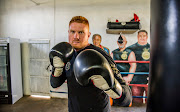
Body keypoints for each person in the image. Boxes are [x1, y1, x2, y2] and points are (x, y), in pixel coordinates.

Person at [49, 16, 132, 112]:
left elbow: (127, 99)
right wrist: (57, 69)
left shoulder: (100, 55)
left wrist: (110, 87)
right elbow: (54, 84)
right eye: (72, 32)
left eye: (81, 32)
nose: (76, 36)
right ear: (68, 33)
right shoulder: (66, 55)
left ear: (88, 35)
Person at [110, 35, 136, 106]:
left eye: (123, 41)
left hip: (126, 78)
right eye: (120, 41)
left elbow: (133, 65)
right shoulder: (113, 53)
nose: (121, 43)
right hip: (116, 78)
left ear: (126, 42)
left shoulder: (130, 52)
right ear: (117, 42)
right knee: (114, 99)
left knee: (127, 101)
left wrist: (129, 77)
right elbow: (110, 65)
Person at [127, 30, 150, 105]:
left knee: (150, 100)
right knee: (136, 101)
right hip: (136, 77)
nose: (142, 37)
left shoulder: (152, 48)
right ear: (137, 37)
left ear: (147, 37)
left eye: (144, 36)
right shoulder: (130, 49)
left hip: (149, 77)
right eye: (140, 36)